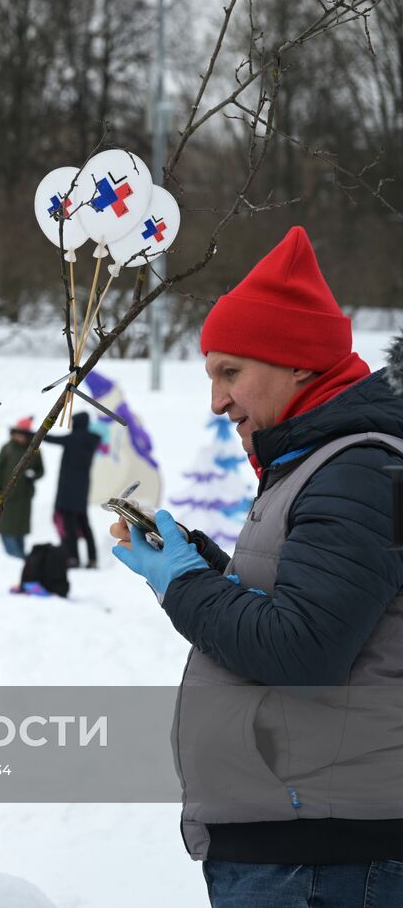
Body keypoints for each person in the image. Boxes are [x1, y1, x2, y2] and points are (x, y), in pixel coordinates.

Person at [111, 227, 403, 907]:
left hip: (326, 856)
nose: (216, 401)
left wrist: (185, 584)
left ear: (298, 363)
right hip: (308, 840)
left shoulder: (356, 469)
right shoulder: (320, 463)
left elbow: (304, 648)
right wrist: (208, 565)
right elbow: (313, 605)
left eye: (230, 372)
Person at [44, 411, 101, 568]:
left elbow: (50, 438)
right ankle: (93, 558)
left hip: (67, 490)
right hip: (82, 489)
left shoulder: (73, 438)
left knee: (69, 526)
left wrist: (33, 434)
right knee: (84, 524)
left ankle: (73, 558)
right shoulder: (91, 440)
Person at [0, 417, 43, 559]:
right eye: (17, 433)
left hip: (24, 498)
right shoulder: (7, 448)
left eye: (23, 434)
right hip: (6, 496)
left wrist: (33, 475)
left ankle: (20, 559)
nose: (20, 437)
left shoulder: (35, 450)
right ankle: (16, 558)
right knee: (6, 529)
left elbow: (40, 471)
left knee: (19, 531)